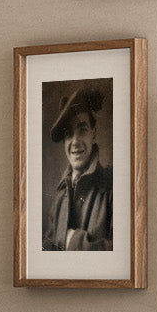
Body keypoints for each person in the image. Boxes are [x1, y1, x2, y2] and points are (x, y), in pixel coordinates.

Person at [43, 85, 112, 252]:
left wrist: (72, 241)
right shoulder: (60, 193)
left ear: (93, 133)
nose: (75, 142)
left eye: (82, 130)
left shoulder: (112, 186)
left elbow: (124, 254)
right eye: (68, 133)